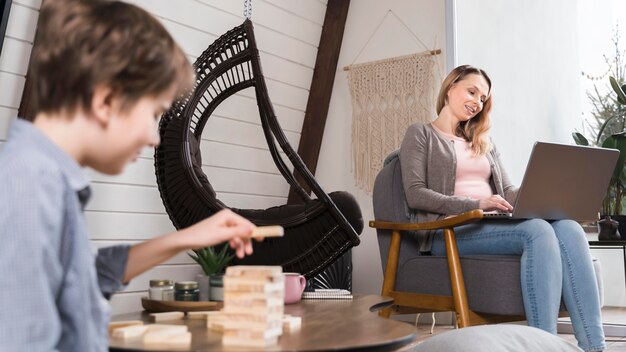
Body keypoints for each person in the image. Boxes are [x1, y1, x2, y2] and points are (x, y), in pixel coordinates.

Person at [0, 0, 261, 350]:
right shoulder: (27, 190)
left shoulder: (44, 181)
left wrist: (188, 237)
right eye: (152, 113)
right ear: (106, 101)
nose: (154, 138)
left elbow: (84, 282)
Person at [400, 65, 605, 352]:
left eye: (482, 98)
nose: (477, 101)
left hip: (492, 224)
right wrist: (476, 203)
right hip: (449, 230)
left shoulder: (483, 141)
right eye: (472, 91)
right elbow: (416, 194)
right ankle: (541, 345)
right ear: (450, 87)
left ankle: (596, 347)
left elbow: (508, 192)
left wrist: (546, 186)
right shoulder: (421, 134)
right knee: (536, 231)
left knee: (569, 228)